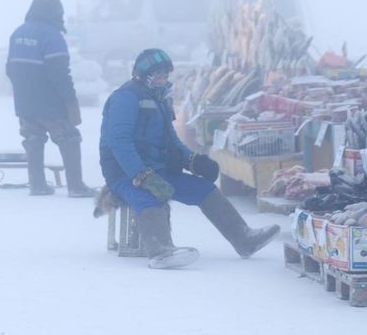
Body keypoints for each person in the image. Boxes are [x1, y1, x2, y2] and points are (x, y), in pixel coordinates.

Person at [99, 48, 280, 269]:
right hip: (125, 173)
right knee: (149, 197)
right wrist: (142, 175)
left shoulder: (160, 99)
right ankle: (160, 250)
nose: (163, 80)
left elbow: (171, 141)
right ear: (143, 75)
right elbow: (119, 142)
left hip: (158, 169)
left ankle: (244, 238)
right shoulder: (125, 98)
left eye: (166, 75)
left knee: (204, 189)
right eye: (158, 75)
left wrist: (194, 161)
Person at [7, 0, 95, 198]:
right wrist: (70, 101)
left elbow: (9, 70)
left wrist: (23, 92)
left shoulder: (17, 33)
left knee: (33, 137)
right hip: (50, 103)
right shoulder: (52, 36)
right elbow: (60, 74)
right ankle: (75, 186)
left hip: (24, 102)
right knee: (69, 139)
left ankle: (37, 185)